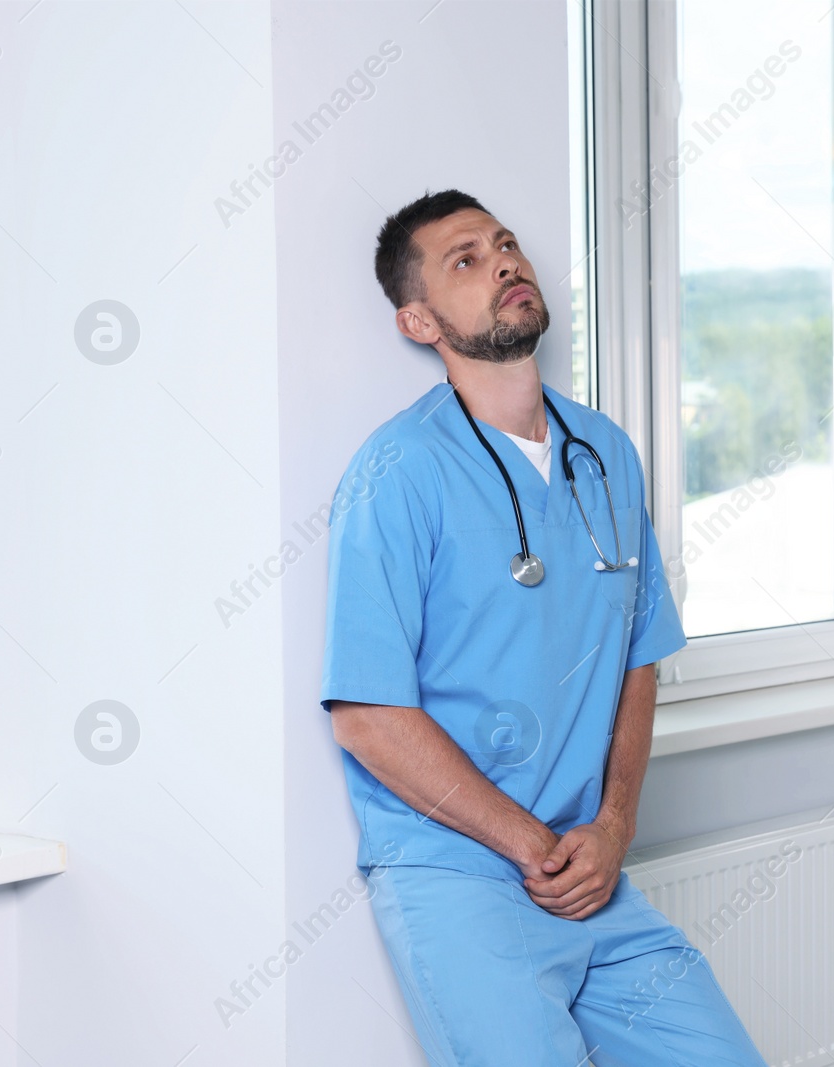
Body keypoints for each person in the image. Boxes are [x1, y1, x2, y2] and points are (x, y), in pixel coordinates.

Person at [320, 189, 766, 1066]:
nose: (505, 263)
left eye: (506, 244)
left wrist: (612, 829)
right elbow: (368, 715)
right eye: (466, 260)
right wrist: (533, 846)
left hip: (588, 866)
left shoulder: (603, 451)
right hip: (461, 875)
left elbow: (640, 657)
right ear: (419, 321)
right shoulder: (398, 473)